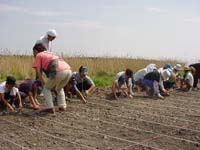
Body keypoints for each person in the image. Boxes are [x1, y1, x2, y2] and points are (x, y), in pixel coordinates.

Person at [32, 43, 72, 113]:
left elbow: (38, 72)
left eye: (33, 52)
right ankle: (62, 106)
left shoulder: (39, 55)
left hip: (59, 71)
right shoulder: (50, 53)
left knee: (46, 88)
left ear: (36, 51)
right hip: (68, 71)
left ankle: (49, 107)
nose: (33, 55)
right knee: (59, 88)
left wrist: (43, 83)